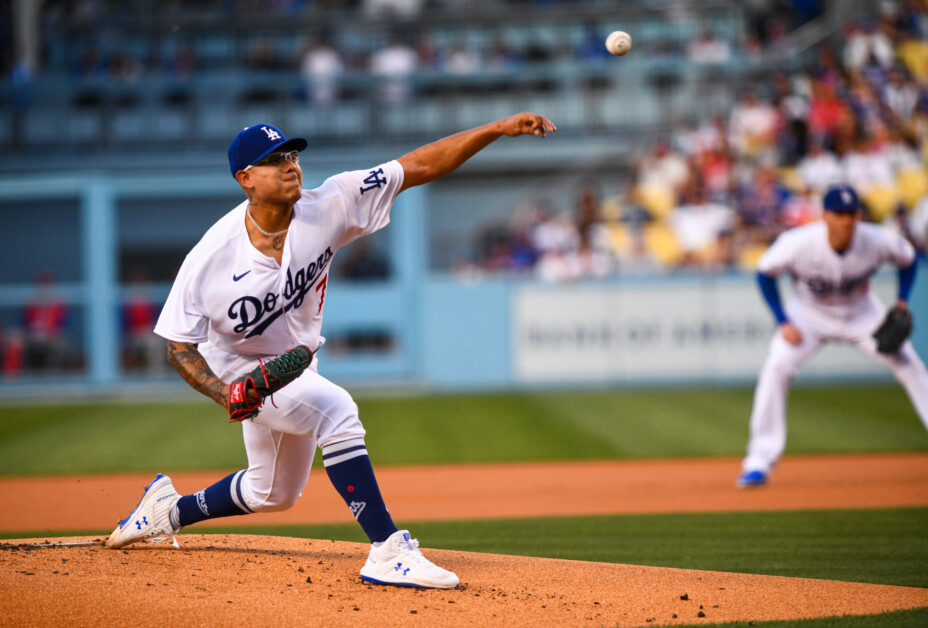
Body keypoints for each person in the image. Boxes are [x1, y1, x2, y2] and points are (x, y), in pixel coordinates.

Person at [104, 113, 557, 589]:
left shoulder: (332, 202)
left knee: (272, 492)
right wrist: (226, 393)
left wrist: (494, 129)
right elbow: (178, 346)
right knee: (337, 411)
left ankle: (167, 511)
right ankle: (386, 550)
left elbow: (417, 166)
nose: (290, 165)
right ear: (245, 180)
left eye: (292, 155)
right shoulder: (210, 258)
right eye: (273, 161)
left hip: (295, 363)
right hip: (239, 368)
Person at [738, 183, 928, 488]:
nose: (847, 220)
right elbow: (764, 273)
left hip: (862, 315)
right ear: (825, 215)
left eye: (852, 213)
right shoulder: (797, 243)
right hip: (809, 317)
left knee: (909, 364)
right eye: (840, 214)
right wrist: (782, 319)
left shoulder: (877, 239)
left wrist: (902, 300)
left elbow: (908, 261)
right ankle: (759, 460)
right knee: (777, 367)